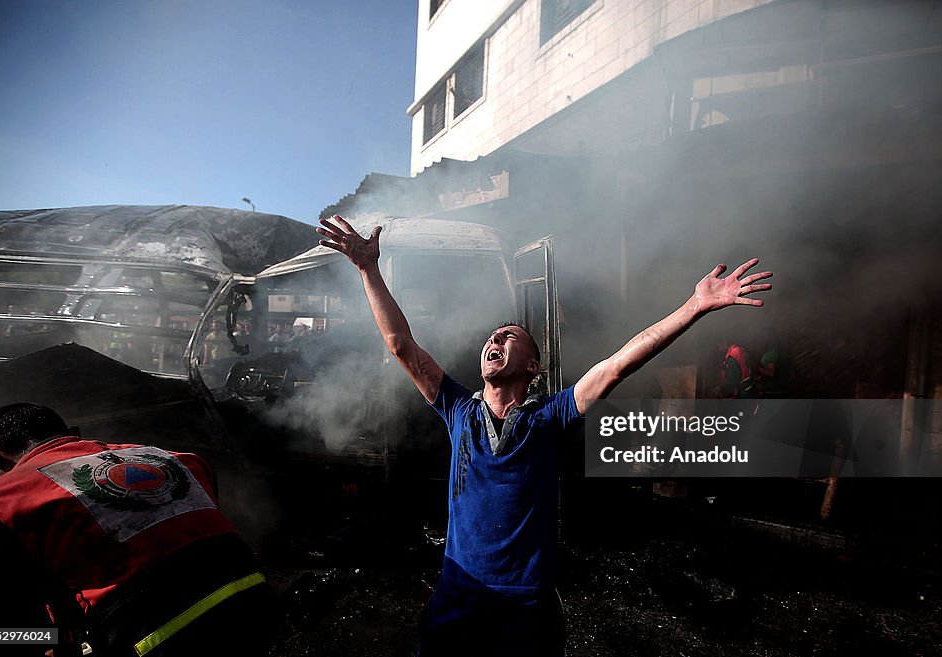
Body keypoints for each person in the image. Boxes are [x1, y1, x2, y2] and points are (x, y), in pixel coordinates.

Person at [316, 215, 772, 657]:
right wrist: (369, 269)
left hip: (525, 601)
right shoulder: (458, 408)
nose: (495, 337)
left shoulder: (548, 417)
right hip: (458, 591)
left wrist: (694, 306)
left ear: (533, 366)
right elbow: (401, 346)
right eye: (493, 335)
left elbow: (617, 364)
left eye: (509, 335)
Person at [0, 403, 277, 657]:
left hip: (151, 636)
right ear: (74, 434)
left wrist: (47, 641)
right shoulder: (176, 459)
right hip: (254, 603)